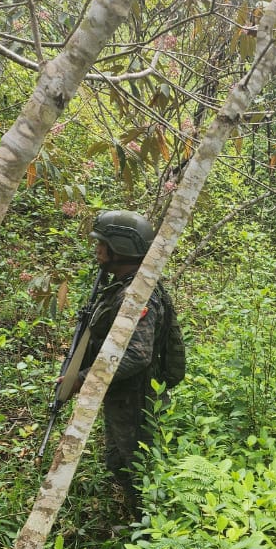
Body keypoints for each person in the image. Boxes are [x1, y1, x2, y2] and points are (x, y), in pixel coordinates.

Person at [71, 209, 179, 518]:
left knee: (139, 471)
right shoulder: (122, 286)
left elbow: (137, 354)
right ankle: (137, 525)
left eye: (102, 244)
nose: (97, 250)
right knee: (117, 463)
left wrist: (83, 378)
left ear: (120, 248)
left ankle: (151, 539)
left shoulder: (138, 295)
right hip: (121, 394)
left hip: (137, 398)